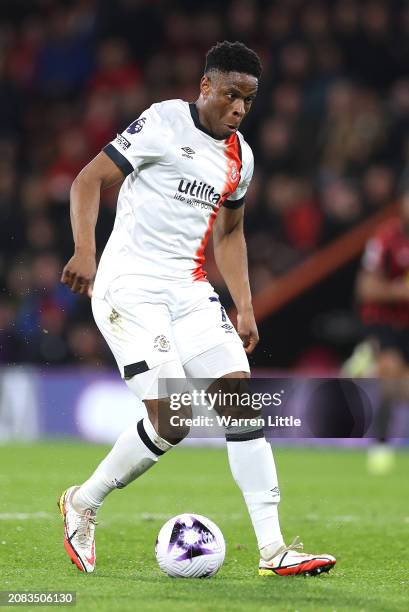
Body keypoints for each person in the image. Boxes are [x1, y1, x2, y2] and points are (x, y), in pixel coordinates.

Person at [59, 41, 336, 576]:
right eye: (231, 95)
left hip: (188, 291)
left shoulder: (241, 156)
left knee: (240, 403)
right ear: (205, 86)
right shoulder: (163, 121)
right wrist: (85, 251)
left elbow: (230, 235)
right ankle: (83, 502)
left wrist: (245, 306)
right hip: (130, 287)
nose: (238, 109)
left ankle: (274, 548)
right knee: (174, 419)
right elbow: (88, 179)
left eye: (249, 101)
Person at [353, 189, 409, 473]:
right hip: (386, 323)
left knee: (402, 389)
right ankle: (381, 446)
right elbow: (365, 288)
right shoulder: (385, 238)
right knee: (389, 377)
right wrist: (400, 292)